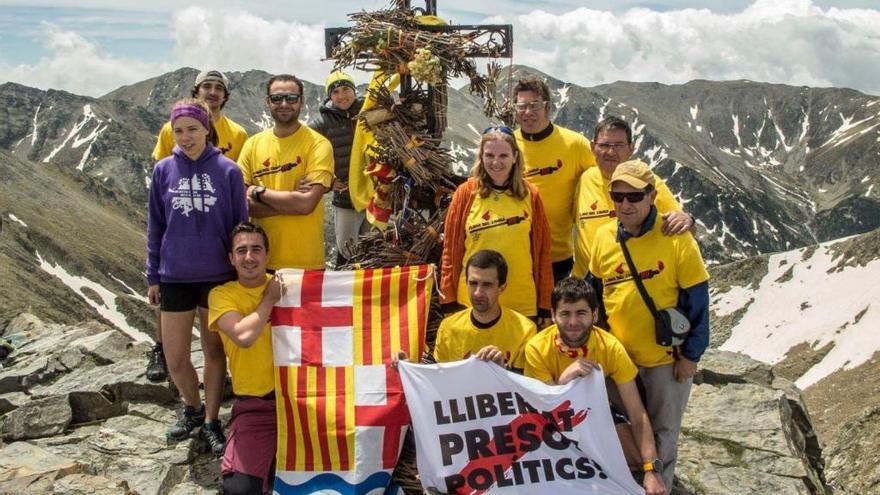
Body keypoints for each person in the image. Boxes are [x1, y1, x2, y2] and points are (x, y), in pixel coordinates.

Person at [587, 161, 710, 489]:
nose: (625, 204)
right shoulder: (602, 237)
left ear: (653, 196)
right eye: (618, 196)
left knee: (663, 434)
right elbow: (593, 295)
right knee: (623, 431)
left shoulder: (676, 238)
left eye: (635, 196)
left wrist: (691, 356)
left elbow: (698, 302)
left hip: (664, 362)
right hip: (619, 359)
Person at [146, 98, 248, 455]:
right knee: (175, 356)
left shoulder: (229, 171)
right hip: (174, 274)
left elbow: (240, 226)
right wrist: (152, 275)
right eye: (178, 131)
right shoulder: (162, 171)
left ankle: (210, 419)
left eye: (192, 129)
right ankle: (190, 406)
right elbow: (155, 226)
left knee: (213, 351)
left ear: (207, 128)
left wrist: (241, 271)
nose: (185, 137)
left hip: (217, 276)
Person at [524, 278, 666, 495]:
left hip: (596, 412)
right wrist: (564, 380)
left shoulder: (610, 347)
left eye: (581, 313)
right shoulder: (537, 348)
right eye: (565, 314)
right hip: (554, 423)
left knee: (636, 461)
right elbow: (546, 408)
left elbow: (637, 413)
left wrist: (651, 469)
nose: (573, 322)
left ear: (595, 314)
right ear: (553, 315)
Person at [440, 126, 553, 326]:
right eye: (489, 155)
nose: (496, 162)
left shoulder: (531, 195)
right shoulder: (465, 193)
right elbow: (450, 251)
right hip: (473, 301)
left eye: (503, 155)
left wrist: (545, 302)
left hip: (521, 304)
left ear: (515, 157)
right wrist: (448, 300)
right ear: (481, 157)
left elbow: (543, 252)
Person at [208, 222, 281, 495]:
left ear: (267, 255)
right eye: (241, 251)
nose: (249, 257)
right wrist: (269, 301)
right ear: (231, 258)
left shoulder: (291, 285)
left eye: (256, 249)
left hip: (301, 403)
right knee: (239, 490)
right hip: (256, 408)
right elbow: (243, 335)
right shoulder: (221, 295)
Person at [572, 117, 693, 278]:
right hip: (586, 288)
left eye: (619, 145)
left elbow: (683, 226)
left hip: (628, 285)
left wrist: (688, 219)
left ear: (631, 149)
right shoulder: (584, 179)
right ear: (593, 148)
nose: (610, 152)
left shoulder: (648, 183)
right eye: (604, 145)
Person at [237, 74, 334, 271]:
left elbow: (307, 204)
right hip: (260, 264)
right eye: (276, 98)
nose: (284, 104)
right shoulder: (251, 145)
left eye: (291, 98)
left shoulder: (318, 144)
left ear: (301, 101)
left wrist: (258, 192)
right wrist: (292, 204)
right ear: (267, 102)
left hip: (307, 263)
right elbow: (241, 205)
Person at [513, 75, 597, 283]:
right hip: (517, 255)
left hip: (559, 258)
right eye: (522, 106)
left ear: (547, 107)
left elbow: (606, 178)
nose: (528, 113)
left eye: (535, 106)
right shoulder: (508, 145)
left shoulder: (575, 144)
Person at [432, 250, 537, 371]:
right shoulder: (448, 328)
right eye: (473, 283)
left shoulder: (525, 331)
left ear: (502, 287)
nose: (478, 293)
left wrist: (501, 369)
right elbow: (442, 380)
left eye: (487, 285)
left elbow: (525, 385)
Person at [308, 71, 368, 267]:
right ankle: (345, 286)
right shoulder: (322, 123)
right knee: (347, 249)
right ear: (329, 96)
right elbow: (306, 153)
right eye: (335, 92)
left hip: (373, 194)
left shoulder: (367, 111)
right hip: (345, 198)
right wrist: (329, 182)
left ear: (353, 90)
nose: (342, 96)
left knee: (372, 246)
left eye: (346, 89)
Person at [152, 70, 249, 162]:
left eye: (219, 88)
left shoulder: (239, 134)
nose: (213, 92)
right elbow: (161, 173)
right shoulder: (170, 129)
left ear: (225, 96)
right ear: (196, 93)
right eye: (207, 86)